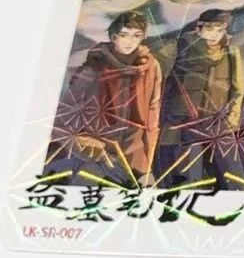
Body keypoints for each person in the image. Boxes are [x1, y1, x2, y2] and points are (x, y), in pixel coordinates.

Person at [53, 10, 162, 186]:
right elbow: (63, 116)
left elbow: (153, 114)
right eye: (124, 35)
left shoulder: (150, 67)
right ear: (113, 37)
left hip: (134, 155)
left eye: (136, 36)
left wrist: (147, 164)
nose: (130, 41)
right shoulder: (94, 67)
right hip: (97, 152)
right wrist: (91, 147)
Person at [155, 9, 244, 189]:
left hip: (218, 124)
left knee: (235, 182)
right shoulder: (179, 47)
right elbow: (154, 73)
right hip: (184, 126)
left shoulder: (231, 52)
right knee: (189, 183)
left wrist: (234, 115)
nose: (214, 35)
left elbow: (238, 88)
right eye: (210, 29)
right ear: (199, 28)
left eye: (220, 30)